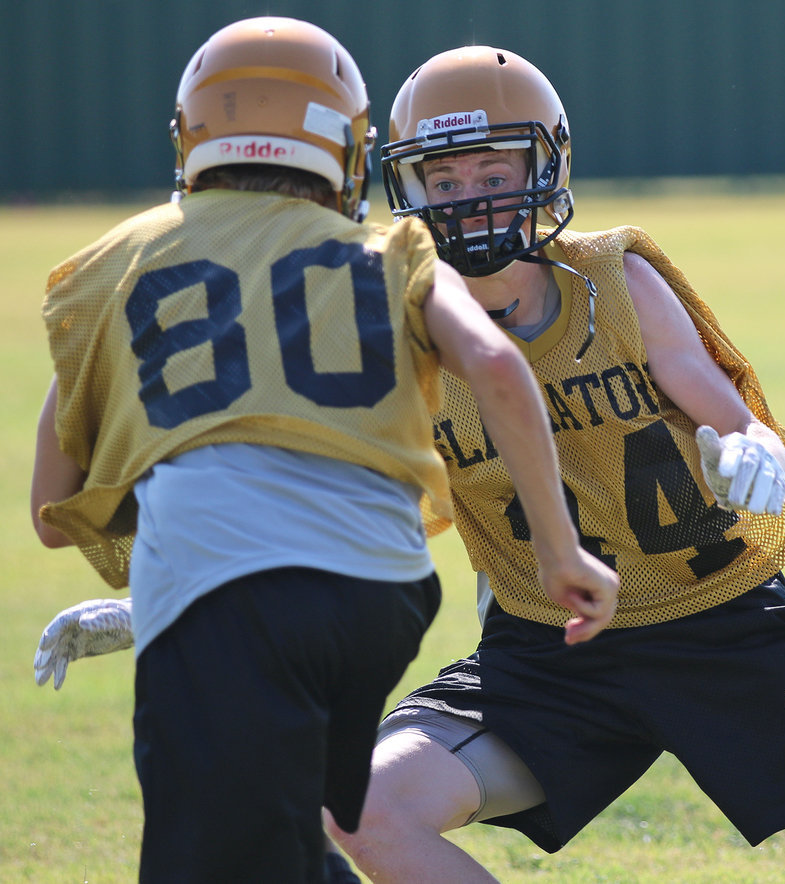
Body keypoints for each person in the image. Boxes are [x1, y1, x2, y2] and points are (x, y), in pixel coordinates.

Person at [36, 44, 785, 884]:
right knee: (361, 805)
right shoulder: (406, 319)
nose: (470, 192)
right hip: (547, 654)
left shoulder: (611, 277)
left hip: (723, 625)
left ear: (545, 165)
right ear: (400, 185)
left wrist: (744, 448)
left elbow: (721, 410)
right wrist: (173, 586)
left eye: (493, 164)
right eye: (445, 170)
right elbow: (376, 502)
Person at [29, 23, 617, 884]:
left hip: (224, 599)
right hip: (380, 598)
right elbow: (494, 362)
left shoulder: (121, 260)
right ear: (346, 147)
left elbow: (55, 505)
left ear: (191, 139)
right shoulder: (393, 250)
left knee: (207, 854)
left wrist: (163, 580)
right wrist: (560, 550)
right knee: (276, 826)